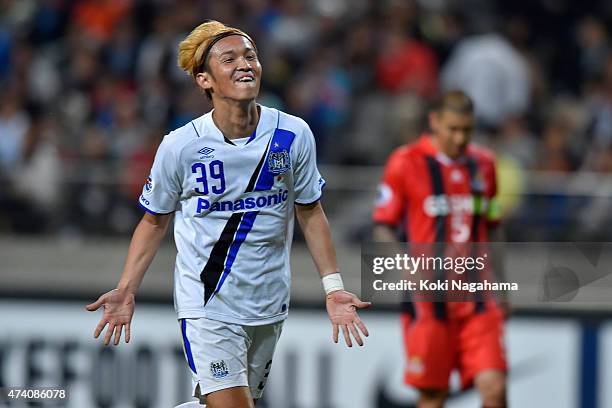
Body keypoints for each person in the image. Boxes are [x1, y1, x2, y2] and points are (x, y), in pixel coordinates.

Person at [86, 20, 370, 408]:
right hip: (207, 303)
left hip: (269, 301)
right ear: (204, 80)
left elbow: (311, 211)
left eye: (250, 55)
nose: (244, 64)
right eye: (230, 58)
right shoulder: (181, 146)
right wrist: (127, 288)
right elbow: (155, 219)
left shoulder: (292, 134)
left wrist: (333, 287)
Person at [372, 90, 507, 408]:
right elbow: (383, 225)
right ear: (434, 122)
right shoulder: (405, 162)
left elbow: (494, 225)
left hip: (479, 300)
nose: (460, 138)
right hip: (428, 304)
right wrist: (406, 267)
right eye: (453, 129)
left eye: (467, 130)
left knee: (495, 388)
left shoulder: (485, 165)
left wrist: (503, 286)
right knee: (433, 396)